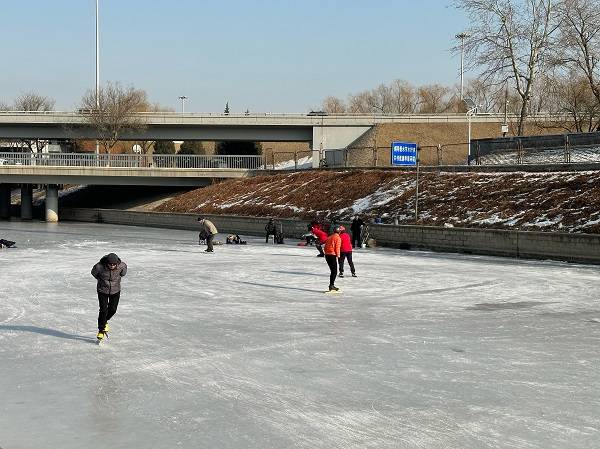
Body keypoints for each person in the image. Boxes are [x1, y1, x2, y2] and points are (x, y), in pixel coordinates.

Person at [91, 253, 127, 341]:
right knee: (103, 310)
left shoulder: (121, 266)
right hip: (102, 290)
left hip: (115, 290)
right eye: (110, 264)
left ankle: (104, 321)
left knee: (113, 309)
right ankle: (101, 330)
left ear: (117, 263)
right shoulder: (99, 267)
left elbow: (123, 273)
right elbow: (94, 273)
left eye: (114, 264)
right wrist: (101, 280)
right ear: (107, 263)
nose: (112, 266)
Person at [323, 226, 342, 291]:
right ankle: (331, 285)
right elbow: (337, 247)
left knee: (332, 271)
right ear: (339, 231)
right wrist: (338, 256)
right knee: (334, 271)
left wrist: (326, 253)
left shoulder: (330, 237)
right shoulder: (338, 238)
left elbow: (325, 247)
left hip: (327, 255)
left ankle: (331, 285)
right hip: (332, 255)